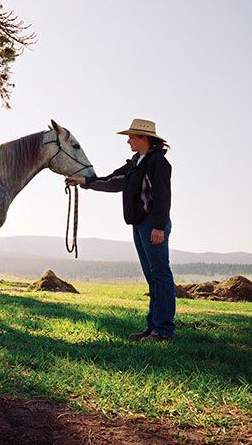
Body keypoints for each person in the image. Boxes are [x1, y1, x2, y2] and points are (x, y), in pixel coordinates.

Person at [66, 119, 174, 342]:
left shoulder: (157, 163)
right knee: (152, 277)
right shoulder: (136, 163)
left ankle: (163, 330)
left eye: (131, 137)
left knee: (160, 276)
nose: (128, 141)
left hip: (153, 224)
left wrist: (159, 226)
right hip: (139, 224)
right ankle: (152, 327)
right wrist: (83, 181)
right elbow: (111, 181)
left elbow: (163, 196)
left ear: (144, 138)